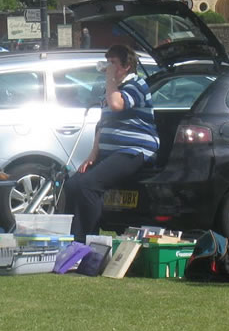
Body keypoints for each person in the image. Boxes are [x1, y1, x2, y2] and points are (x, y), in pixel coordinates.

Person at [65, 45, 159, 242]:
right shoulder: (110, 91)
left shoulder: (136, 85)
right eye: (108, 62)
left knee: (89, 185)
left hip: (133, 151)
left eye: (113, 63)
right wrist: (93, 155)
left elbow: (117, 105)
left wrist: (109, 78)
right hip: (110, 152)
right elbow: (103, 124)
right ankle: (74, 241)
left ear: (126, 66)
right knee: (74, 184)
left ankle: (88, 242)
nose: (109, 66)